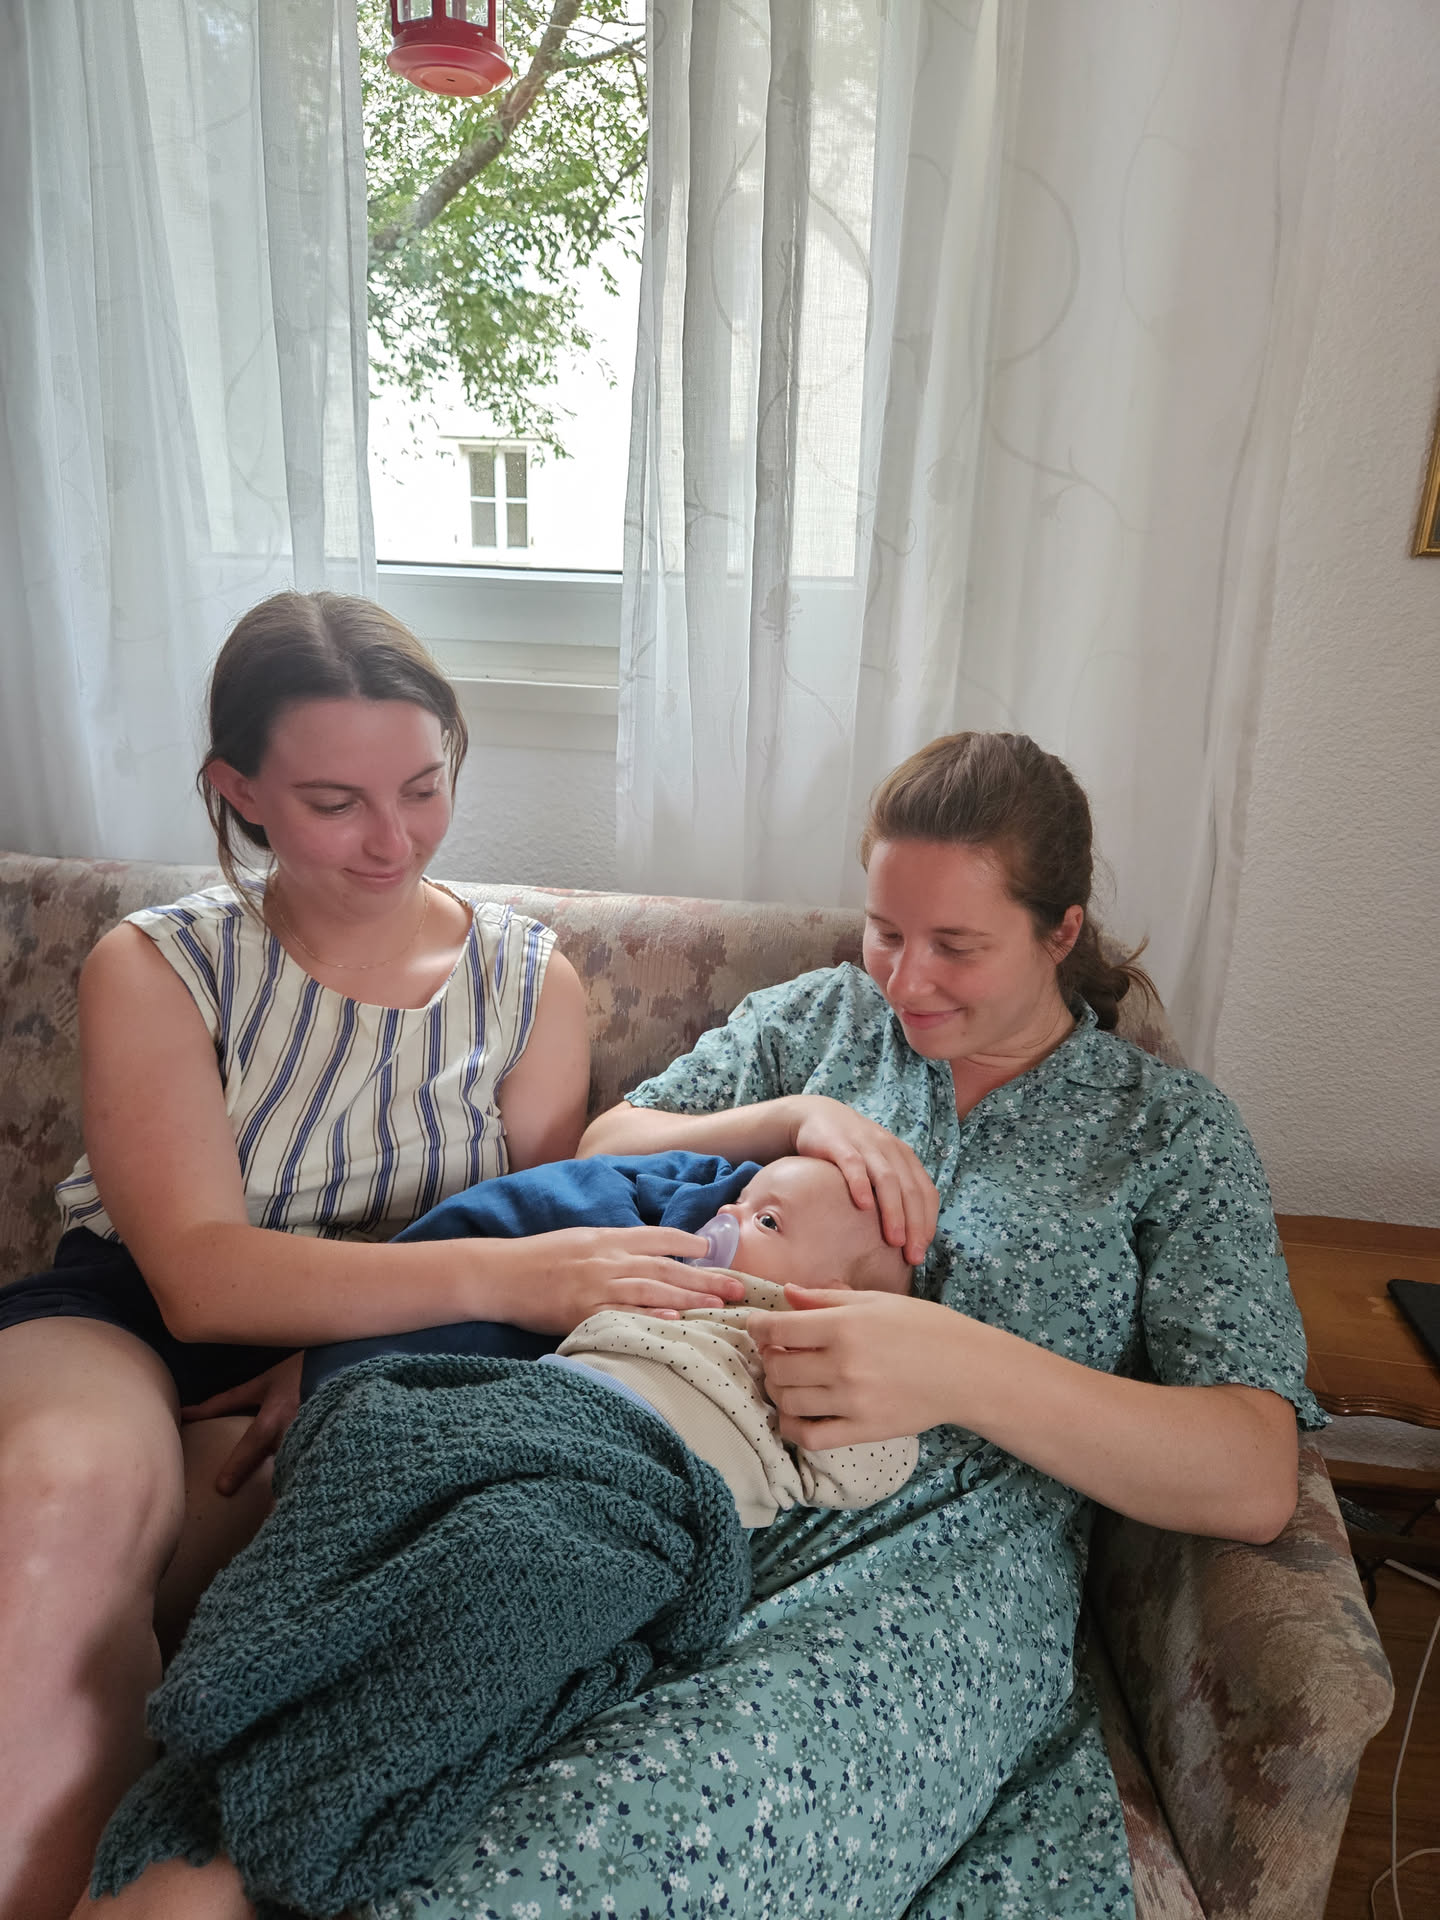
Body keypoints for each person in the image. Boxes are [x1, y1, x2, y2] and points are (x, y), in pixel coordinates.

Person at [72, 728, 1323, 1920]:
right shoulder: (825, 1021)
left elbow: (1255, 1468)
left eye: (957, 945)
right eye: (887, 931)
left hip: (929, 1575)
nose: (906, 979)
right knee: (247, 1787)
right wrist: (791, 1117)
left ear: (1061, 932)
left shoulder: (1167, 1133)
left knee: (554, 1866)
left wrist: (960, 1366)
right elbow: (611, 1144)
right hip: (642, 1469)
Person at [0, 592, 741, 1920]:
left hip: (382, 1375)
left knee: (290, 1577)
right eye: (335, 801)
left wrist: (367, 1352)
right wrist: (473, 1291)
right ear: (238, 792)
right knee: (68, 1495)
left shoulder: (530, 982)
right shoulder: (157, 965)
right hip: (125, 1322)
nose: (392, 840)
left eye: (423, 788)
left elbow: (538, 1231)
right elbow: (202, 1278)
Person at [84, 1157, 920, 1920]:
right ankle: (260, 1662)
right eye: (741, 1200)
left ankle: (311, 1767)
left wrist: (849, 1353)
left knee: (508, 1560)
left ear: (831, 1296)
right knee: (376, 1435)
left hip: (631, 1487)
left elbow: (872, 1463)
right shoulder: (663, 1283)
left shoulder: (805, 1354)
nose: (728, 1217)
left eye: (766, 1221)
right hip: (522, 1412)